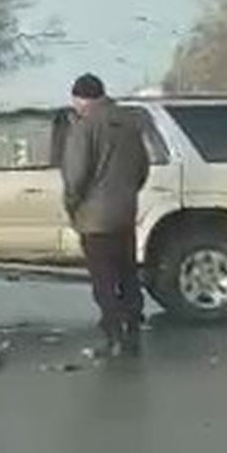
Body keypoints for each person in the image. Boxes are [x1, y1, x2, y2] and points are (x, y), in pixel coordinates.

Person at [61, 74, 150, 357]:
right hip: (125, 212)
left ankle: (113, 334)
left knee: (104, 279)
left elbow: (76, 175)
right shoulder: (129, 123)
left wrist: (72, 205)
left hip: (94, 218)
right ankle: (133, 323)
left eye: (75, 99)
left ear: (81, 98)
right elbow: (142, 167)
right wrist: (127, 195)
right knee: (127, 272)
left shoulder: (85, 127)